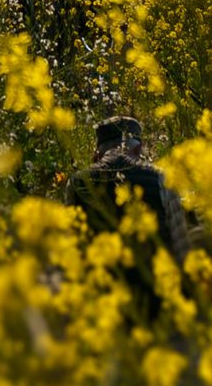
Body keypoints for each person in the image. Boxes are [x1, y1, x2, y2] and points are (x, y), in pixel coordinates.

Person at [69, 115, 197, 315]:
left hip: (103, 305)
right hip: (157, 301)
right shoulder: (161, 178)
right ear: (139, 150)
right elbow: (181, 247)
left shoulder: (77, 183)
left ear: (97, 155)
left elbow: (73, 249)